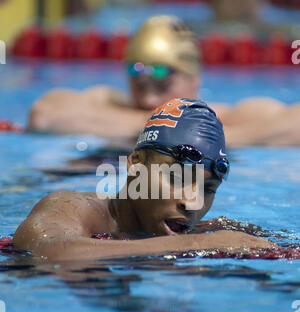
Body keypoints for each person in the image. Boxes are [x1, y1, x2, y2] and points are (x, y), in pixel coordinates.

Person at [14, 99, 276, 261]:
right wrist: (196, 244)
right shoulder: (73, 207)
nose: (193, 203)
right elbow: (52, 252)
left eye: (208, 189)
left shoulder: (204, 230)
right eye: (177, 178)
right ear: (136, 165)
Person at [27, 15, 300, 147]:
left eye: (162, 85)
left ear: (194, 77)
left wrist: (201, 134)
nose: (148, 99)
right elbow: (44, 115)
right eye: (139, 84)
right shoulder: (108, 100)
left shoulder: (232, 116)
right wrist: (163, 126)